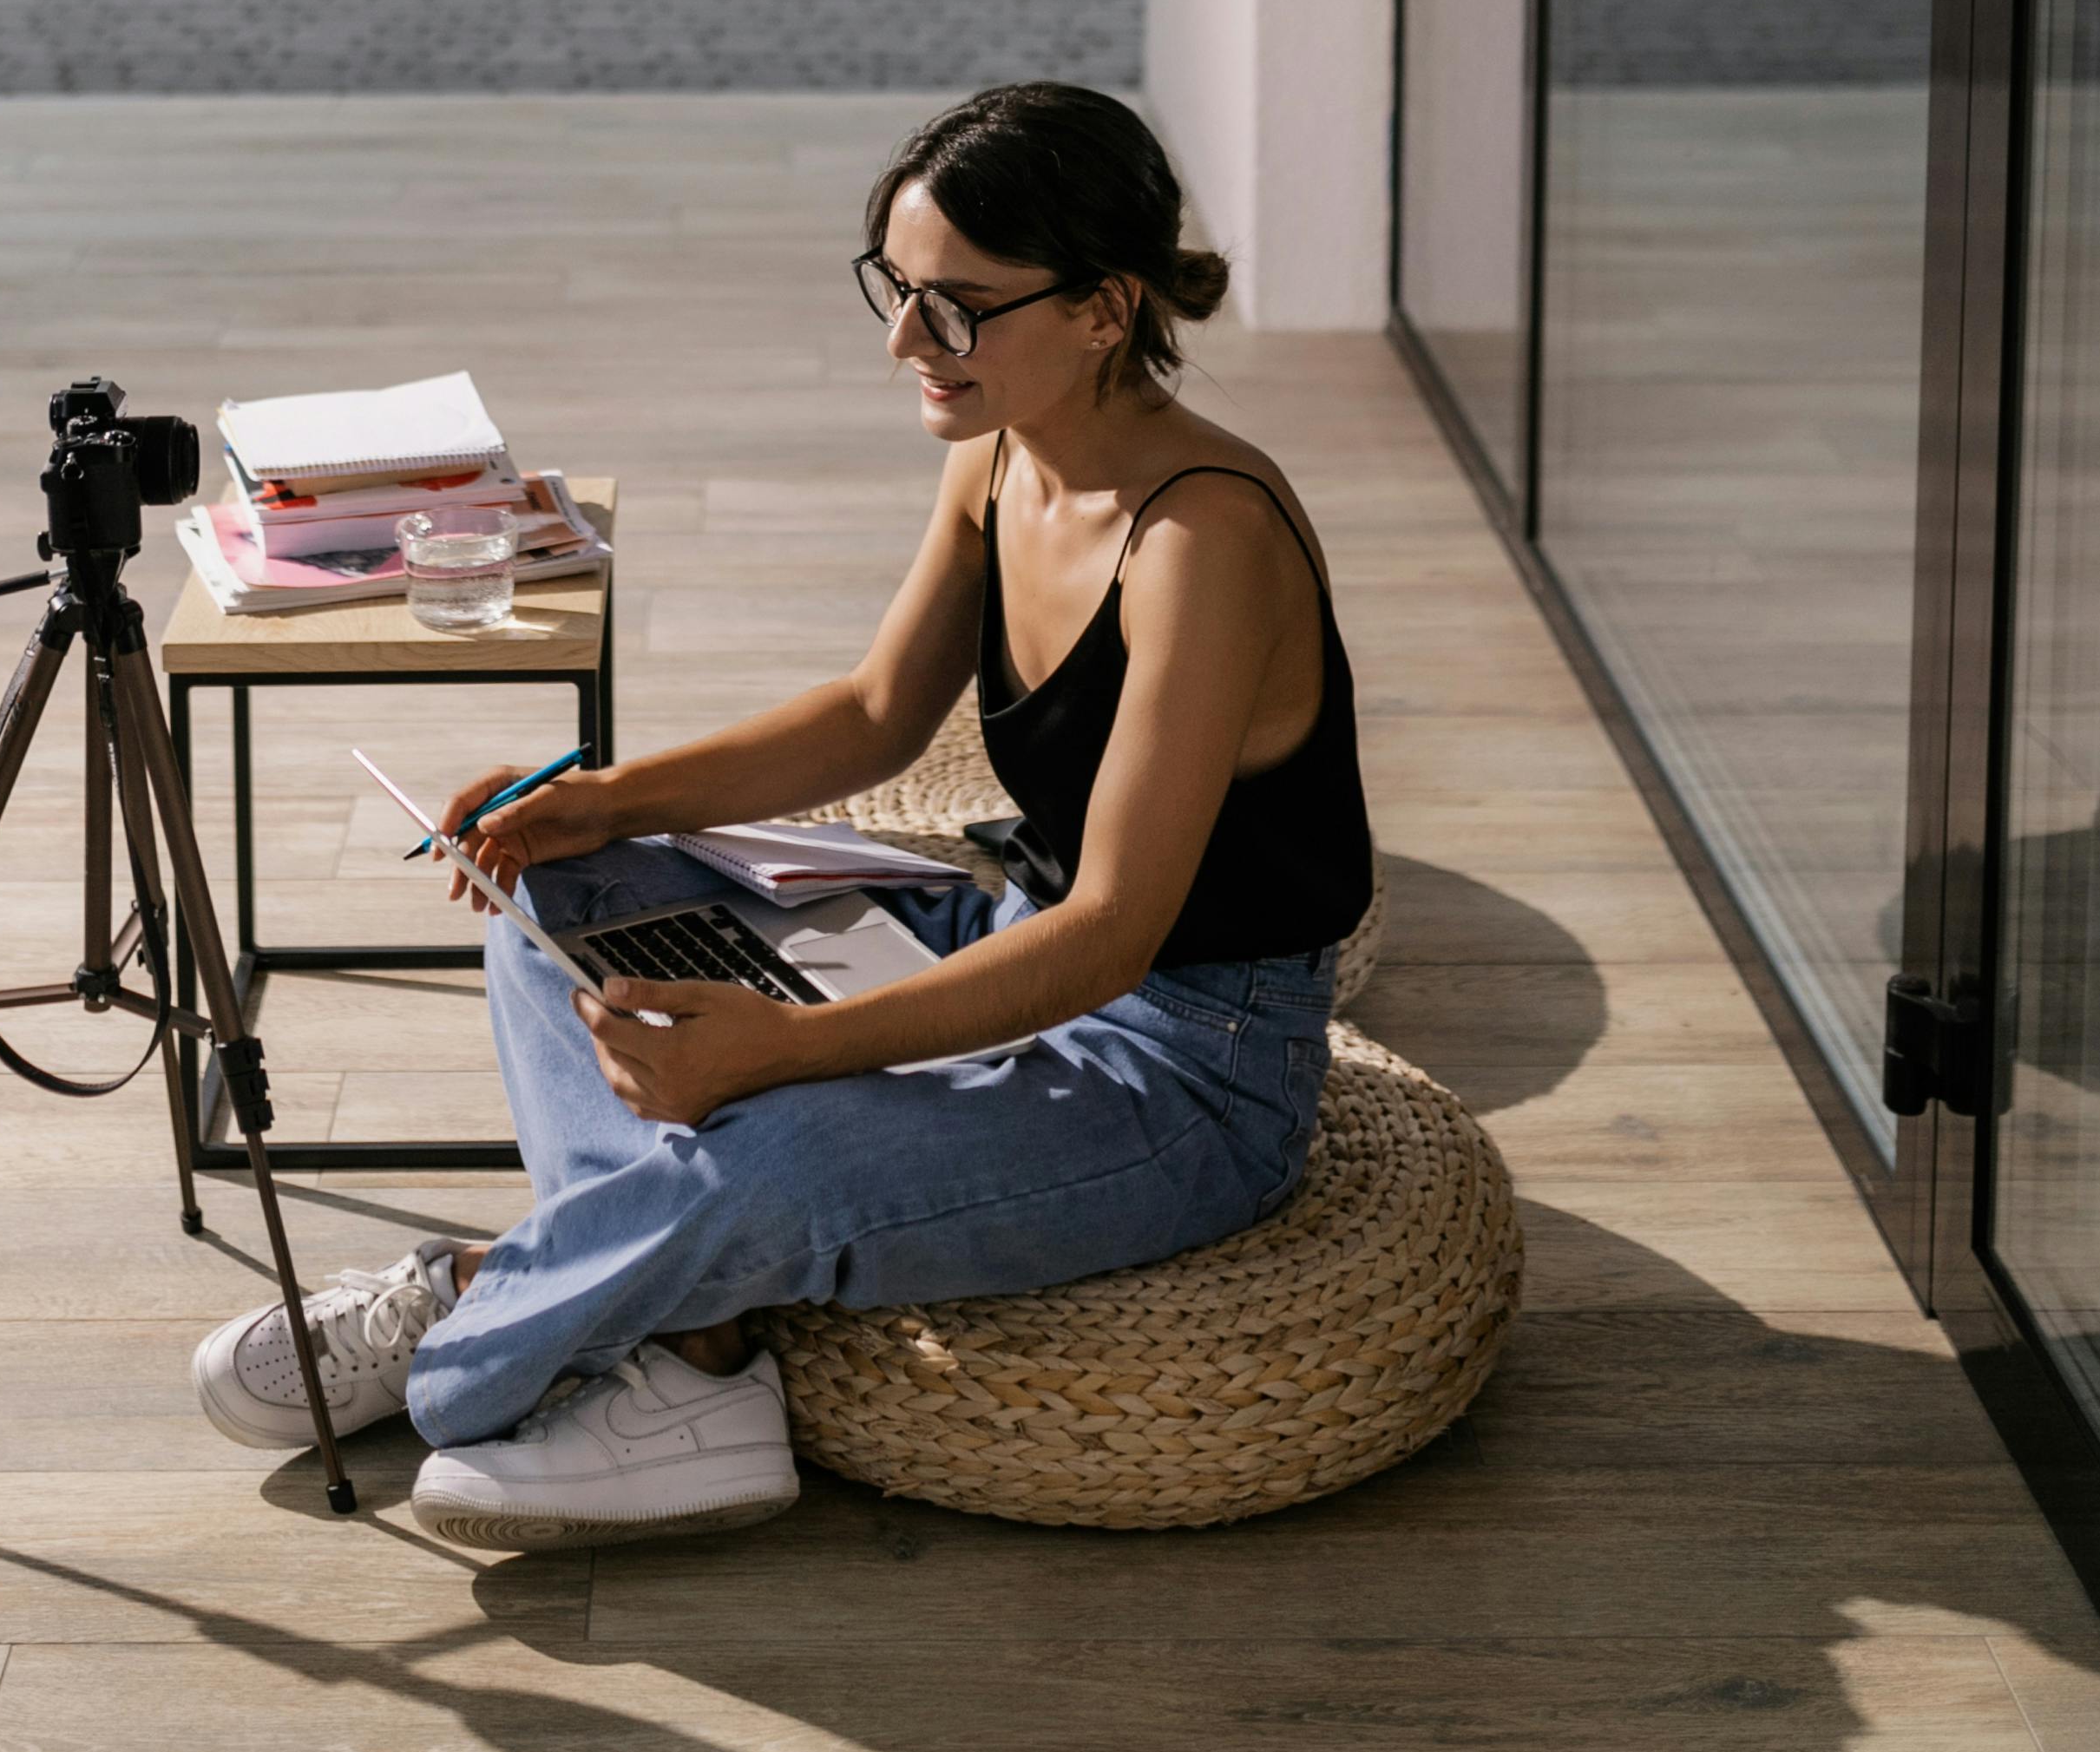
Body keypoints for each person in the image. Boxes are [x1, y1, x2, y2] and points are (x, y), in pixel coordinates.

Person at [191, 78, 1373, 1545]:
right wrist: (597, 800)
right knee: (563, 902)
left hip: (1182, 1066)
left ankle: (481, 1322)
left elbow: (1115, 936)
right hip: (997, 933)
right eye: (895, 288)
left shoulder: (1205, 539)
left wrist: (794, 1048)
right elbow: (875, 714)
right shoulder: (1000, 450)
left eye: (954, 305)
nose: (902, 341)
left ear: (1102, 307)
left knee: (777, 1153)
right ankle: (684, 1353)